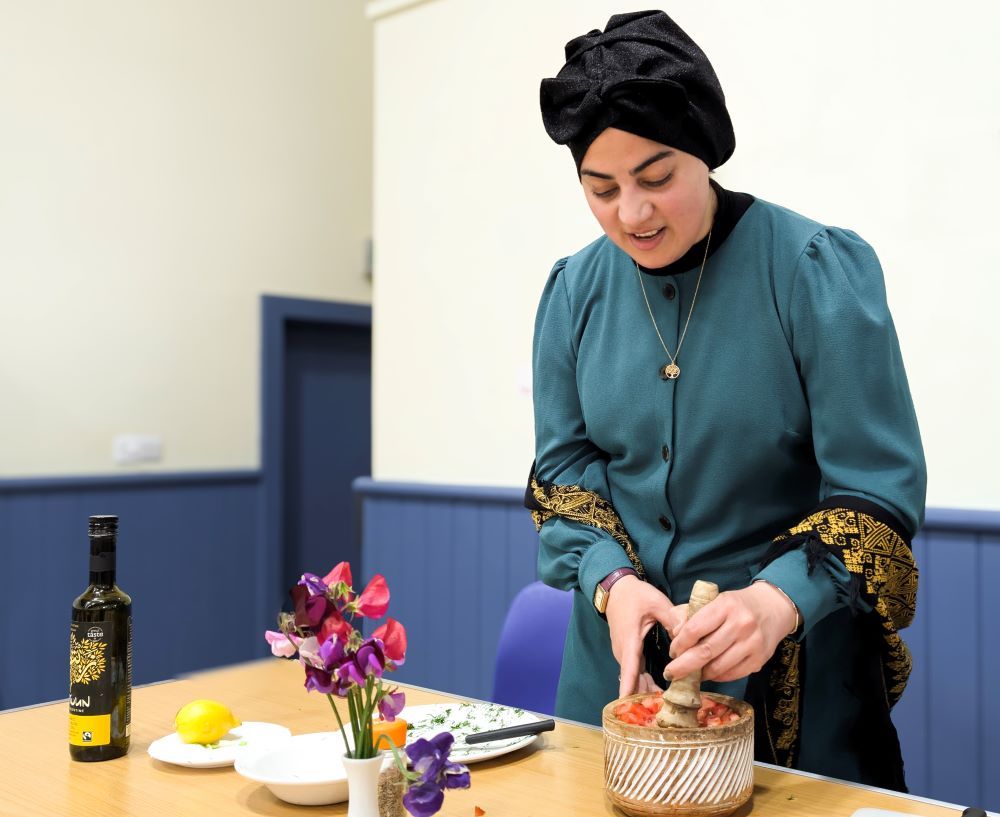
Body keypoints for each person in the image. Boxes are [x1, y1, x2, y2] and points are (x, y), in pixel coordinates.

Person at [526, 10, 925, 791]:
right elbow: (564, 471)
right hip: (617, 676)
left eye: (657, 176)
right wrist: (612, 581)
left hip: (792, 691)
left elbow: (877, 489)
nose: (631, 215)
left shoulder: (812, 269)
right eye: (600, 188)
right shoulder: (573, 291)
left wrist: (780, 599)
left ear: (706, 150)